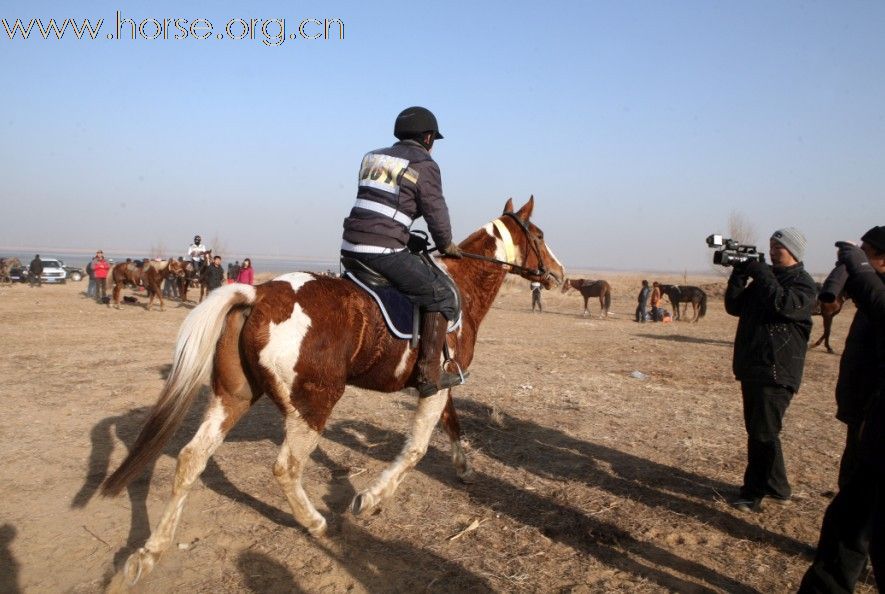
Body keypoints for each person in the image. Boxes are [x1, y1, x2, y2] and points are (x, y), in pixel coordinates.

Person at [341, 106, 464, 397]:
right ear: (429, 137)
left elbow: (382, 207)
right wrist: (446, 244)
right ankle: (428, 375)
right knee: (442, 294)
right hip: (382, 251)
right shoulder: (424, 164)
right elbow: (436, 212)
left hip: (350, 247)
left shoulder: (371, 157)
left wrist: (408, 237)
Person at [799, 226, 885, 593]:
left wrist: (861, 271)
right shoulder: (871, 289)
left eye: (868, 253)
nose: (861, 258)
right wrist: (845, 278)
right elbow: (828, 305)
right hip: (869, 417)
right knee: (847, 518)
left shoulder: (877, 292)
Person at [725, 227, 817, 512]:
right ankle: (778, 488)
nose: (774, 250)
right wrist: (740, 273)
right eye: (772, 245)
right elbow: (735, 306)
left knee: (763, 434)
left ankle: (753, 494)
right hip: (755, 366)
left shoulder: (803, 284)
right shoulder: (769, 280)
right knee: (762, 430)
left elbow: (783, 304)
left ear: (794, 251)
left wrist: (761, 272)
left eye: (780, 246)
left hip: (777, 370)